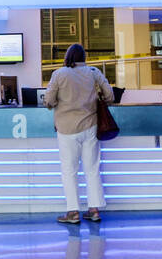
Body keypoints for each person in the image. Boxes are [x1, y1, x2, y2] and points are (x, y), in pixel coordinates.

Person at [44, 43, 115, 225]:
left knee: (69, 171)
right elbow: (110, 95)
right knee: (92, 169)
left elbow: (49, 101)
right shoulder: (93, 72)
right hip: (90, 126)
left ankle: (73, 213)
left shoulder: (59, 74)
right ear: (84, 57)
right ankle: (94, 210)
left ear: (68, 57)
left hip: (66, 129)